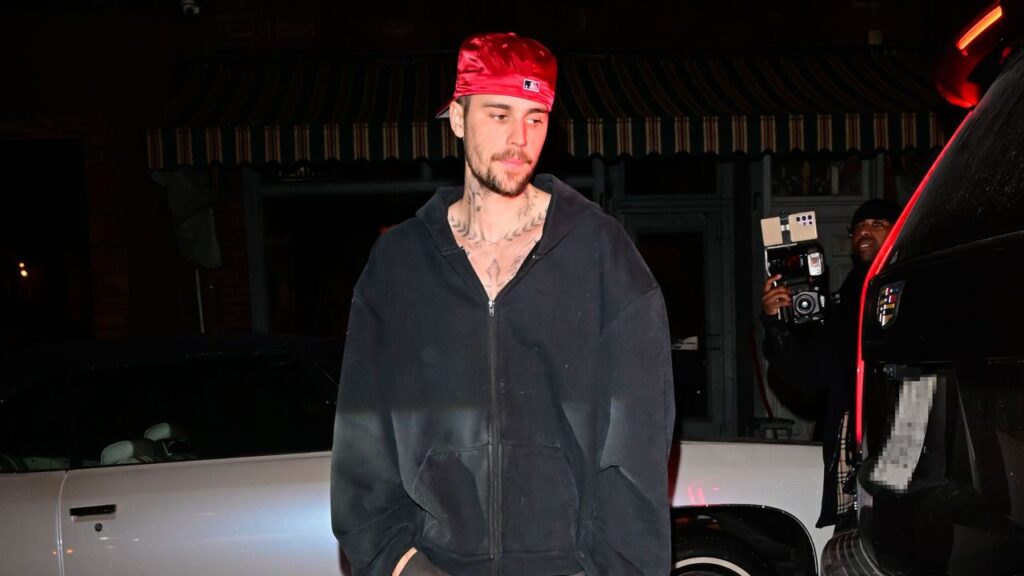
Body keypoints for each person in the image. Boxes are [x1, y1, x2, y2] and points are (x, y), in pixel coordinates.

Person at [330, 32, 675, 576]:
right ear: (458, 118)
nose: (520, 139)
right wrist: (400, 564)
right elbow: (362, 437)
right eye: (499, 114)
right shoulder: (398, 265)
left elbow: (639, 442)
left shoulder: (602, 255)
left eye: (536, 118)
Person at [761, 198, 901, 528]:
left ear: (898, 232)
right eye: (859, 227)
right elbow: (811, 376)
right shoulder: (850, 294)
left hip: (903, 429)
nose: (864, 232)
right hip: (855, 440)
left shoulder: (909, 280)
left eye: (877, 224)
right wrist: (777, 322)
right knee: (857, 529)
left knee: (899, 524)